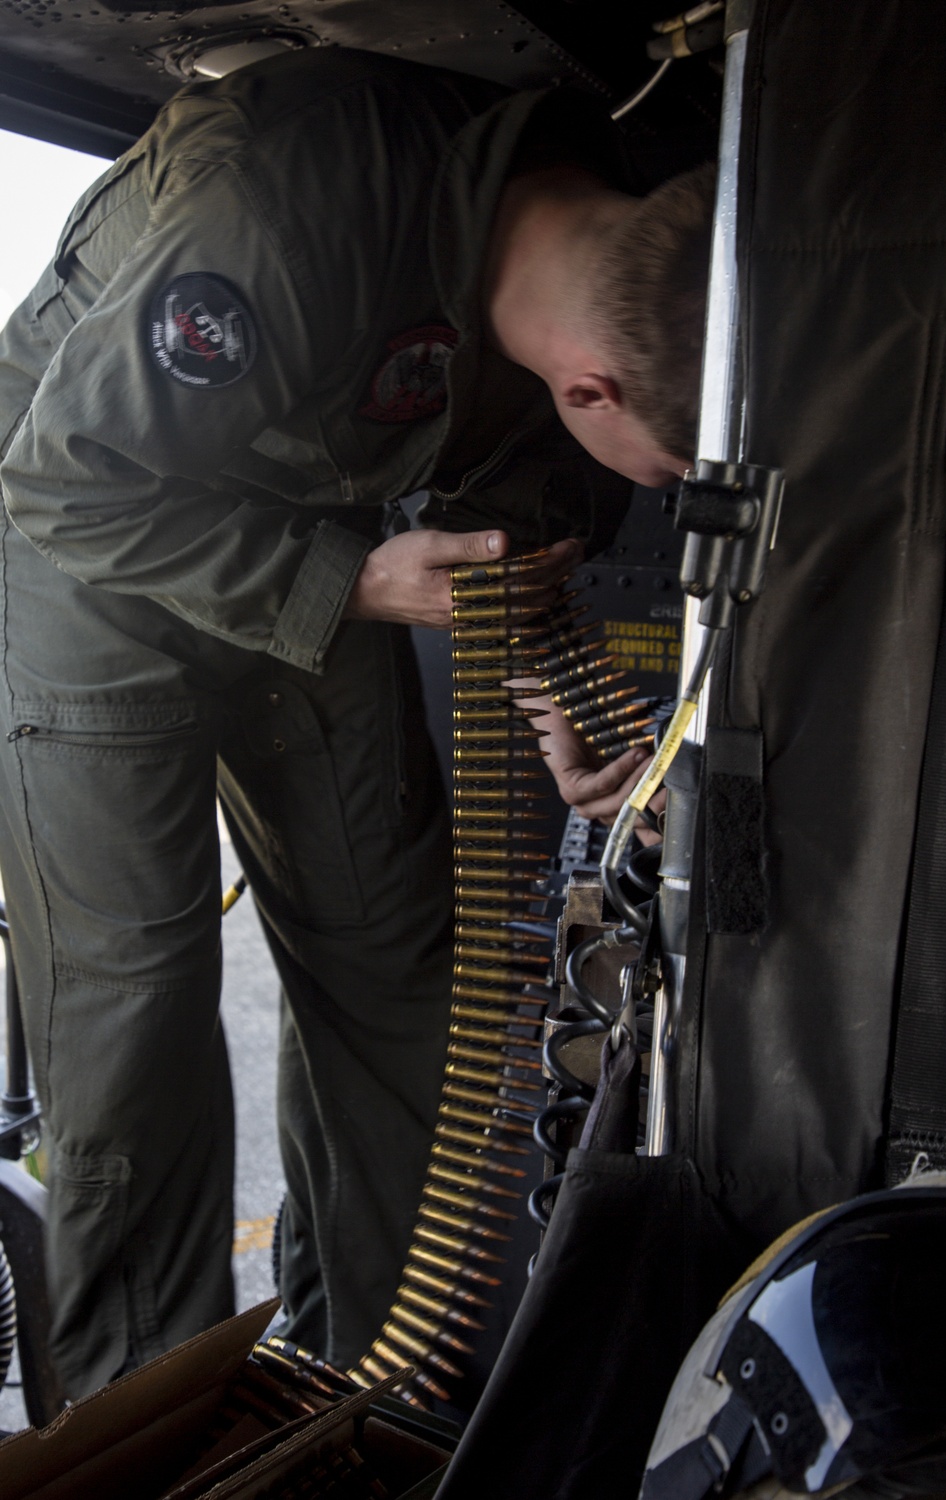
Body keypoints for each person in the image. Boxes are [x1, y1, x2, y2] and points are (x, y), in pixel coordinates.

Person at [0, 42, 713, 1398]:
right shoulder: (287, 211)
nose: (665, 486)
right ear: (596, 391)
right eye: (674, 470)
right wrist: (349, 581)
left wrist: (552, 679)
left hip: (300, 534)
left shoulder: (595, 251)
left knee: (399, 969)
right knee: (136, 1017)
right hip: (85, 540)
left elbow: (526, 497)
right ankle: (149, 1432)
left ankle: (366, 1403)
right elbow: (62, 480)